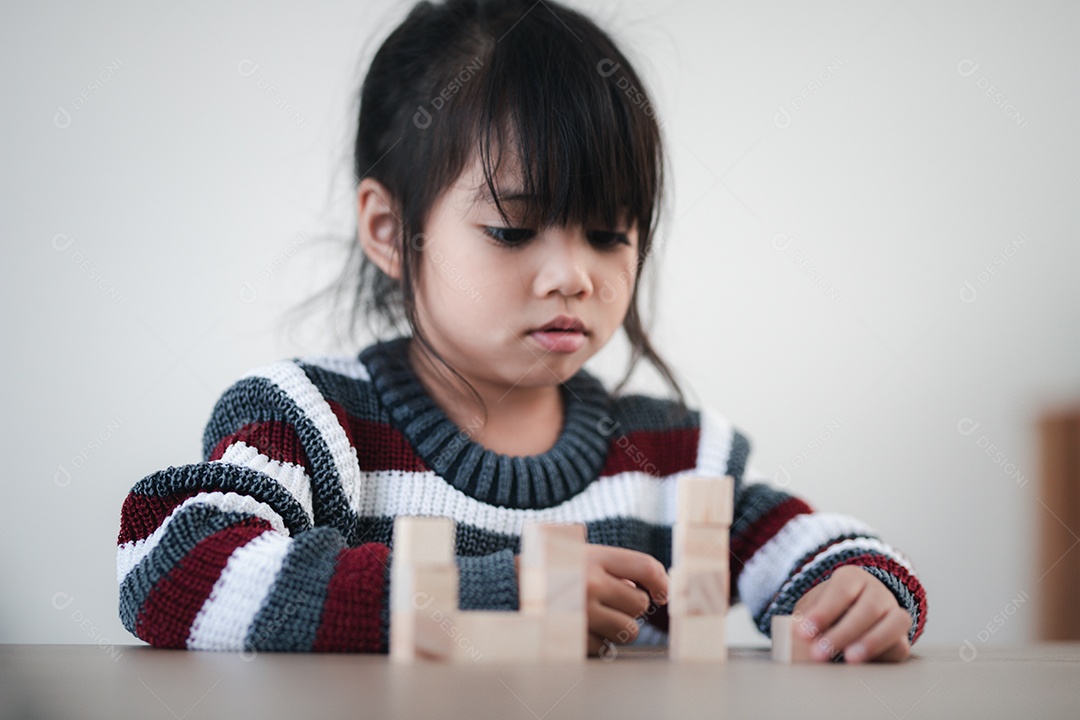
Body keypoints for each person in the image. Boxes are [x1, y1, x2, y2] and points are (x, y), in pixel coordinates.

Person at [116, 0, 926, 660]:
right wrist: (497, 595)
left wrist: (859, 587)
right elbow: (173, 572)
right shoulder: (314, 424)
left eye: (609, 235)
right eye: (512, 230)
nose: (573, 275)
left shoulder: (672, 463)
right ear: (391, 230)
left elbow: (813, 551)